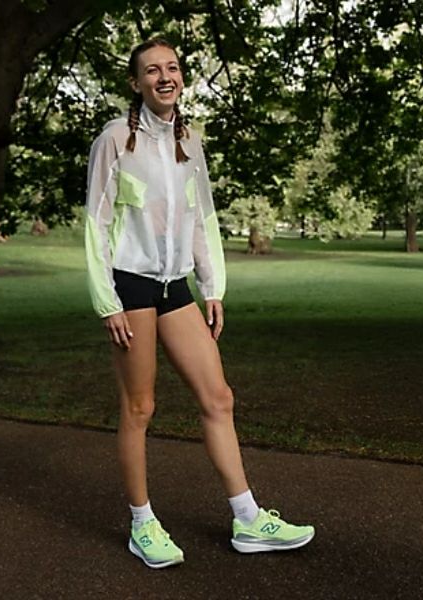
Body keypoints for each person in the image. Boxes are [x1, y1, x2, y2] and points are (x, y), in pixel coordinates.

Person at [84, 37, 315, 569]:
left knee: (219, 397)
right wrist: (106, 301)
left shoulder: (190, 141)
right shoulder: (115, 139)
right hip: (131, 285)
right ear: (136, 82)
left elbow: (202, 217)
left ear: (181, 77)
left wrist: (213, 287)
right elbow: (96, 223)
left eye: (172, 68)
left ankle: (248, 519)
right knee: (140, 407)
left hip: (176, 287)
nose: (164, 77)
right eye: (152, 70)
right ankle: (142, 523)